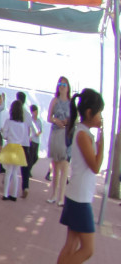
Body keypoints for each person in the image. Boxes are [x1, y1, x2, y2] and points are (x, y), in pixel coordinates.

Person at [45, 89, 104, 264]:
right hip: (79, 198)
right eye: (99, 113)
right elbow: (96, 166)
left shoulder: (82, 132)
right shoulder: (83, 134)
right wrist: (103, 141)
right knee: (88, 249)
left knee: (71, 245)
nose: (101, 118)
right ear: (89, 112)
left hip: (77, 195)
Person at [46, 77, 73, 205]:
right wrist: (56, 120)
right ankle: (54, 194)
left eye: (64, 84)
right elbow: (49, 117)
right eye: (60, 84)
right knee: (56, 167)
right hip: (56, 134)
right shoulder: (55, 100)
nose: (62, 86)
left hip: (66, 135)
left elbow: (75, 119)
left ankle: (61, 197)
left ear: (68, 87)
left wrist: (68, 122)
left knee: (65, 167)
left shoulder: (71, 102)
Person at [1, 101, 30, 201]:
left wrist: (5, 133)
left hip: (10, 147)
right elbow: (23, 137)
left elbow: (4, 135)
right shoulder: (23, 124)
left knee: (8, 171)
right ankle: (14, 195)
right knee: (15, 173)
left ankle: (5, 194)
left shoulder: (8, 122)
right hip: (18, 148)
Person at [26, 103, 43, 198]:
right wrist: (30, 137)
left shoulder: (39, 121)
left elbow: (41, 130)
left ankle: (28, 169)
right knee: (31, 157)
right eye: (33, 111)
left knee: (35, 157)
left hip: (37, 141)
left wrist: (38, 134)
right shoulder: (30, 120)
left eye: (35, 111)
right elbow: (28, 129)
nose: (34, 113)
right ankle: (28, 170)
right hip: (31, 140)